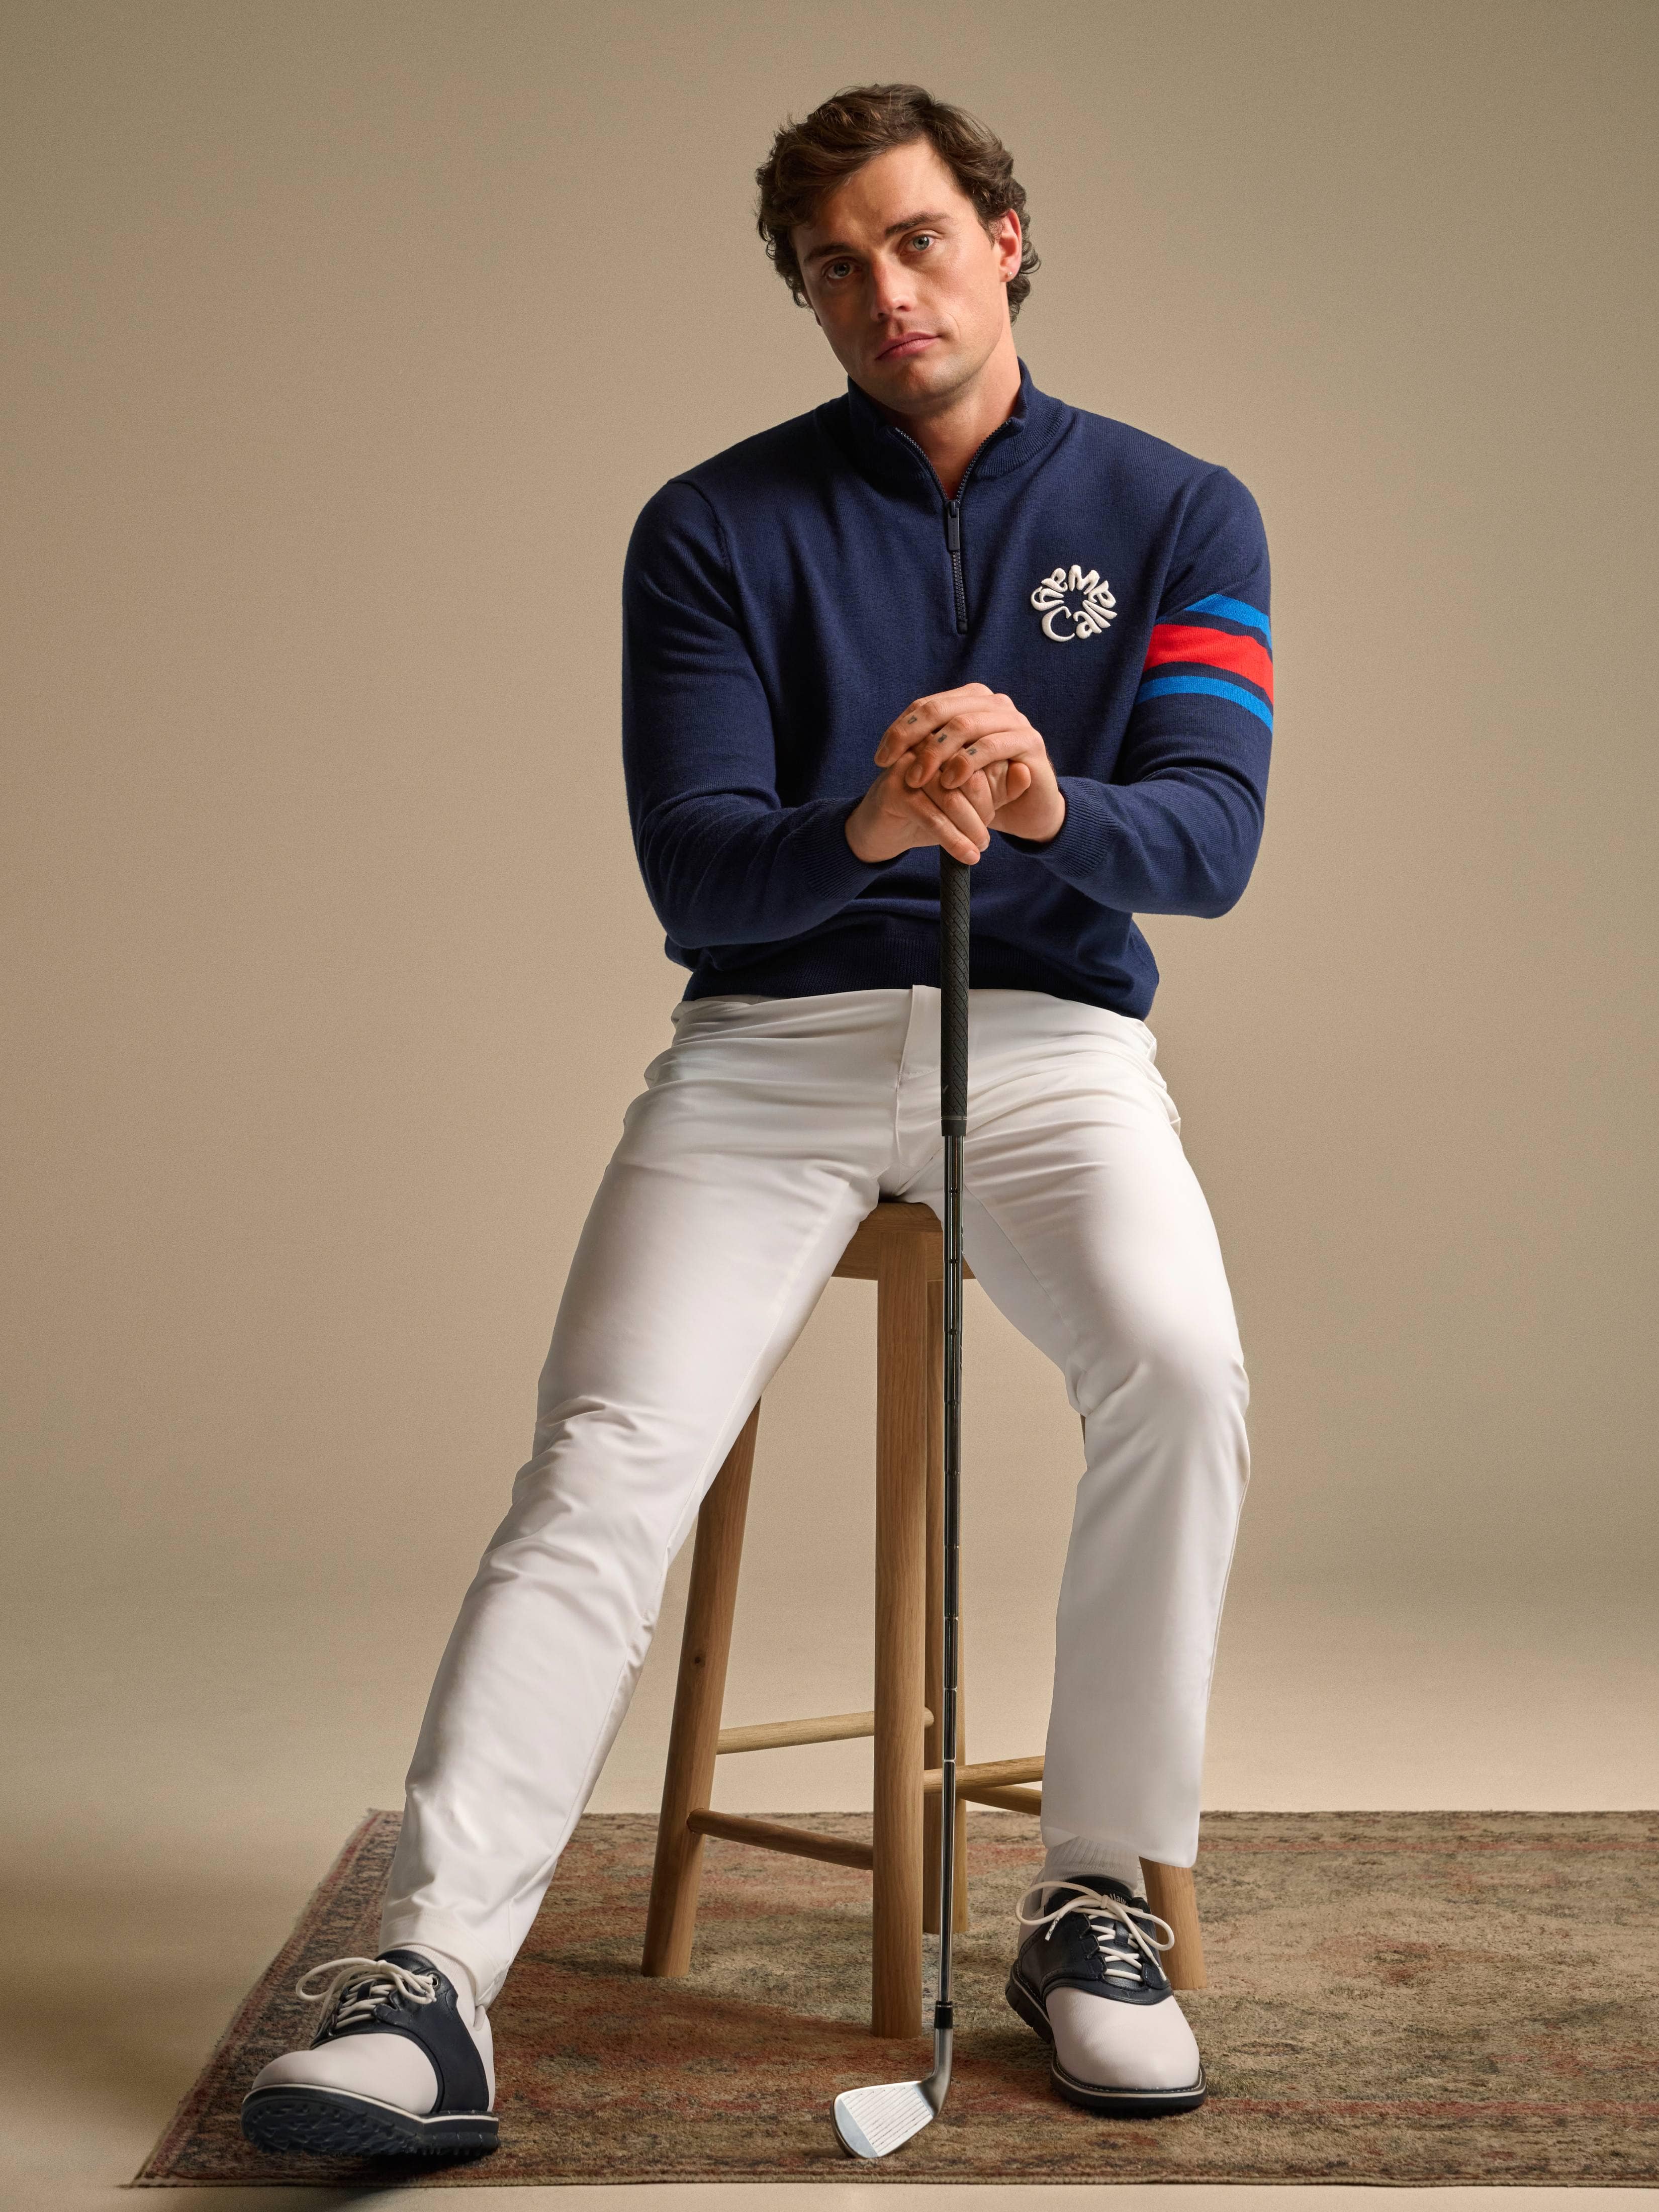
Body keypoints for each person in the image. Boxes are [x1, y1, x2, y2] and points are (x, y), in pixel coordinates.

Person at [241, 80, 1272, 2161]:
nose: (886, 292)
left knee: (1181, 1370)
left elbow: (1213, 837)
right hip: (768, 1049)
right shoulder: (710, 526)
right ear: (807, 297)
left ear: (1003, 236)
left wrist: (1045, 800)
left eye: (917, 239)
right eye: (835, 267)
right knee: (607, 1450)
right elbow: (698, 875)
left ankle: (1090, 1898)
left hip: (1048, 1042)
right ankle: (426, 1977)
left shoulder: (1180, 511)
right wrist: (870, 820)